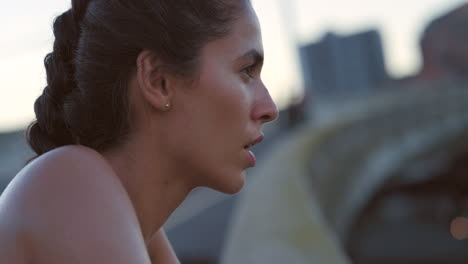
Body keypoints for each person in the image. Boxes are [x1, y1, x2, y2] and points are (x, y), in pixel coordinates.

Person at [0, 0, 278, 263]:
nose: (270, 108)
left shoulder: (137, 228)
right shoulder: (71, 184)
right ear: (158, 82)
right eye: (246, 71)